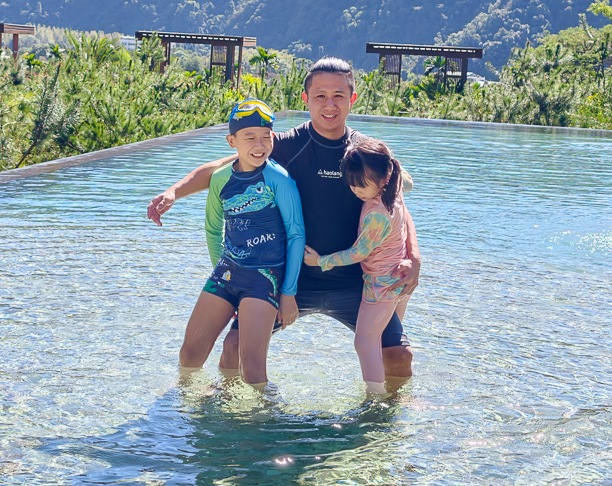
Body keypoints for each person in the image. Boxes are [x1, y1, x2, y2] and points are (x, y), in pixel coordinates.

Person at [149, 57, 421, 382]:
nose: (329, 104)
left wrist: (414, 257)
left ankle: (383, 424)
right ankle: (234, 421)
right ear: (305, 99)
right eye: (320, 95)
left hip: (354, 282)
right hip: (291, 281)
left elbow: (397, 207)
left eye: (338, 95)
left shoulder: (368, 153)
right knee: (233, 347)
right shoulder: (284, 146)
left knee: (399, 356)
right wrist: (173, 193)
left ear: (353, 99)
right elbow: (219, 169)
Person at [178, 98, 304, 388]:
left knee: (252, 368)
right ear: (231, 141)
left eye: (266, 137)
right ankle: (187, 413)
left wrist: (288, 293)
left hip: (265, 277)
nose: (259, 145)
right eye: (250, 138)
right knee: (189, 353)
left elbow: (296, 235)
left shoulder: (279, 180)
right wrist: (221, 272)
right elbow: (213, 230)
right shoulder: (221, 179)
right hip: (227, 273)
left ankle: (260, 424)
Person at [304, 138, 410, 394]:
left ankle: (375, 398)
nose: (355, 191)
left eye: (362, 185)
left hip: (382, 284)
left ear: (384, 178)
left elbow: (359, 252)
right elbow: (408, 182)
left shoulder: (376, 213)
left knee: (365, 342)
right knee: (381, 340)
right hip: (396, 280)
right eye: (351, 184)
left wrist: (321, 261)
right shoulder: (394, 191)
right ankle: (392, 392)